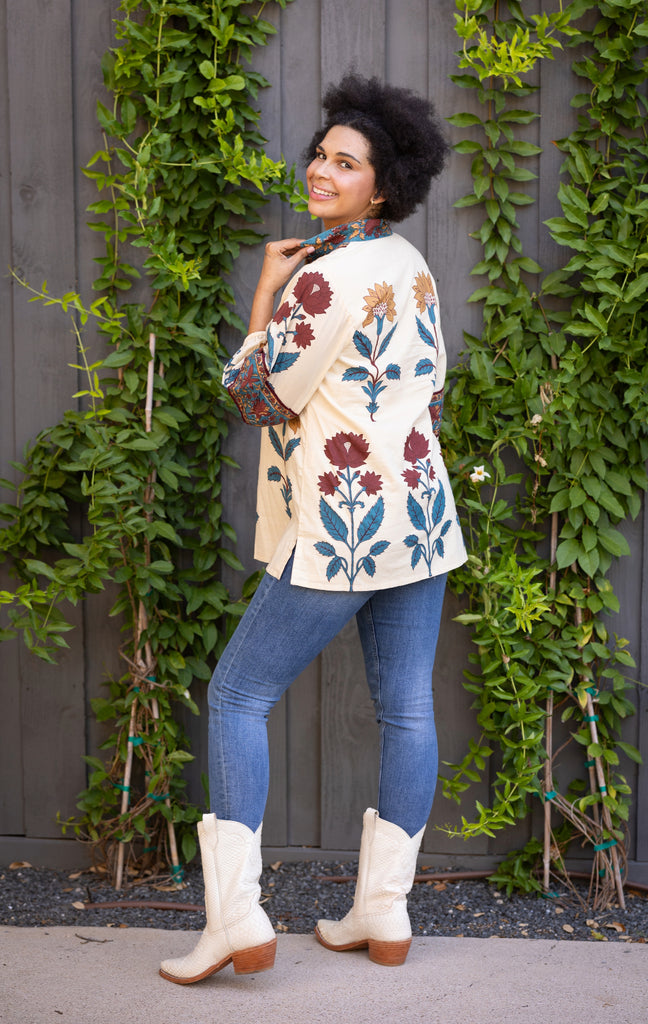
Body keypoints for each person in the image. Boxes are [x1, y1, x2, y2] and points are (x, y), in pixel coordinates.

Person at [160, 72, 467, 985]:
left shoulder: (324, 278)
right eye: (320, 155)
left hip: (341, 524)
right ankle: (383, 911)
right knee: (406, 708)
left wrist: (266, 291)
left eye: (346, 163)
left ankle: (236, 920)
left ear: (383, 186)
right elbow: (431, 393)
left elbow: (258, 396)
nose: (321, 171)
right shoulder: (409, 263)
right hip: (419, 520)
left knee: (236, 695)